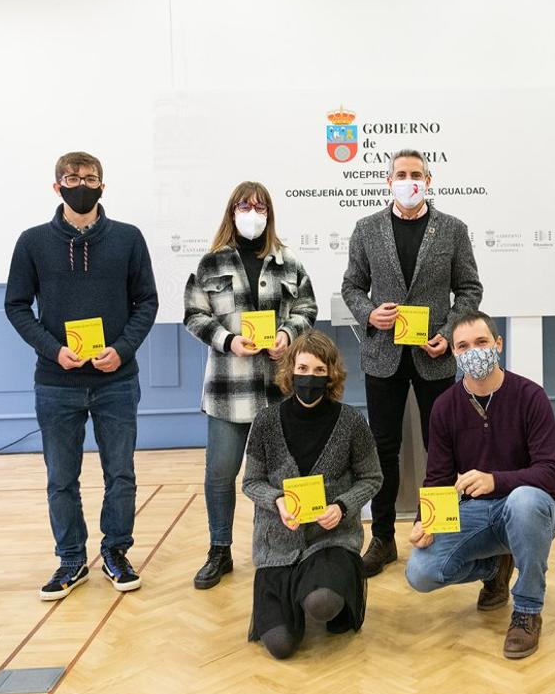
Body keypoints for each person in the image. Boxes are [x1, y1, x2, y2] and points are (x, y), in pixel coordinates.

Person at [5, 151, 159, 601]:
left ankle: (116, 552)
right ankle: (71, 560)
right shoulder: (32, 242)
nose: (81, 184)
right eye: (72, 178)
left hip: (116, 379)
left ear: (102, 186)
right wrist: (53, 349)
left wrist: (123, 349)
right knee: (61, 478)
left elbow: (146, 302)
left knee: (121, 475)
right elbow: (16, 306)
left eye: (90, 178)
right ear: (57, 186)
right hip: (56, 384)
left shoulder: (129, 239)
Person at [341, 149, 483, 577]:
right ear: (389, 182)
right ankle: (382, 538)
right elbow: (351, 286)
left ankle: (442, 531)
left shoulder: (453, 230)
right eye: (401, 174)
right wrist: (368, 313)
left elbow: (469, 289)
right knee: (382, 449)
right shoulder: (366, 229)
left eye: (416, 174)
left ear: (429, 179)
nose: (409, 180)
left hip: (434, 357)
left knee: (441, 447)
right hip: (383, 355)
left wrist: (450, 331)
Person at [405, 312, 555, 660]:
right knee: (419, 572)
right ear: (455, 354)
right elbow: (438, 476)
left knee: (522, 501)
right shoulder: (445, 406)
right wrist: (424, 520)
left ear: (498, 345)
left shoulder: (530, 396)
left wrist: (496, 480)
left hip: (531, 510)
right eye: (463, 346)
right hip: (476, 512)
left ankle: (527, 609)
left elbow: (550, 473)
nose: (473, 352)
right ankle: (496, 568)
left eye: (481, 342)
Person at [183, 181, 318, 590]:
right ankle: (219, 550)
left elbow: (307, 307)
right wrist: (227, 340)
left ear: (269, 212)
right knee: (220, 475)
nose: (253, 212)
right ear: (232, 210)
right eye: (245, 205)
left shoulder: (288, 260)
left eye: (260, 206)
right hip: (228, 389)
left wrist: (287, 334)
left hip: (278, 390)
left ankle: (288, 547)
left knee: (286, 474)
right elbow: (193, 314)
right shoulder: (211, 263)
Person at [241, 330, 383, 660]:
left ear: (331, 374)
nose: (310, 378)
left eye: (320, 371)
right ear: (289, 371)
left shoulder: (351, 421)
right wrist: (276, 500)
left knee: (322, 604)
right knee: (280, 646)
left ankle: (326, 596)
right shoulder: (265, 421)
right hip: (278, 542)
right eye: (303, 369)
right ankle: (293, 597)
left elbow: (372, 477)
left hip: (330, 538)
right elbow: (251, 482)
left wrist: (342, 506)